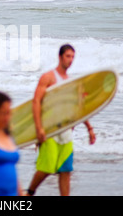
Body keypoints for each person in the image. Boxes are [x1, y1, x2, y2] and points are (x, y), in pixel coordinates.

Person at [27, 44, 96, 196]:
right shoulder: (48, 77)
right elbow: (36, 102)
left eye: (72, 57)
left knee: (66, 171)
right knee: (46, 168)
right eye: (67, 56)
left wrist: (89, 128)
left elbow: (78, 109)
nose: (70, 60)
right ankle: (29, 192)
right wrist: (39, 128)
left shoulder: (70, 82)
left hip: (66, 132)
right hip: (50, 129)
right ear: (60, 57)